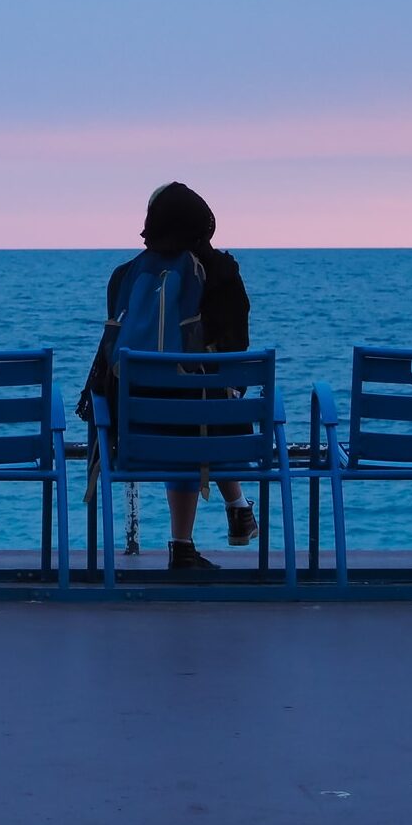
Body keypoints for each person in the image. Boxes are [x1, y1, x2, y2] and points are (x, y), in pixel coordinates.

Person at [91, 182, 257, 570]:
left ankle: (195, 539)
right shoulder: (219, 272)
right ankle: (233, 507)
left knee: (186, 409)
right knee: (205, 404)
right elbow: (236, 353)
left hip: (133, 431)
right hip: (200, 426)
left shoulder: (125, 276)